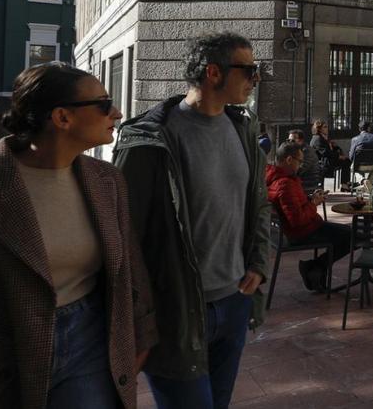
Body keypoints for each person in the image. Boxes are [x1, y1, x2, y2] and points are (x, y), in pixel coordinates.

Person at [0, 62, 154, 409]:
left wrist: (140, 335)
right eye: (104, 104)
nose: (118, 112)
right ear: (62, 117)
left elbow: (128, 267)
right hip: (5, 353)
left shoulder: (107, 181)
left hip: (89, 343)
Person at [112, 32, 271, 408]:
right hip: (177, 314)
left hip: (235, 302)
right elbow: (124, 233)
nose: (256, 79)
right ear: (213, 72)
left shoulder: (243, 129)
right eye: (249, 70)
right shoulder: (149, 140)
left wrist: (259, 264)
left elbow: (260, 204)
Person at [265, 142, 355, 291]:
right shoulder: (284, 183)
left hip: (301, 228)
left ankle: (315, 269)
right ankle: (314, 267)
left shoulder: (276, 178)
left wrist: (309, 199)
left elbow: (293, 206)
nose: (300, 165)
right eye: (299, 161)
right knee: (353, 236)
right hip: (302, 232)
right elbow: (297, 220)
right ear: (288, 160)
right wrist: (313, 203)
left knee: (348, 233)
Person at [311, 119, 351, 187]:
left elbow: (330, 149)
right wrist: (339, 156)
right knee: (346, 161)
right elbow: (325, 152)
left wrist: (334, 146)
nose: (327, 129)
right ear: (319, 129)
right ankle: (344, 184)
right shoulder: (317, 139)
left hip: (329, 160)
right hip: (323, 162)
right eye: (325, 127)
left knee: (346, 161)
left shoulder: (323, 138)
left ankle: (345, 184)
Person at [288, 129, 323, 193]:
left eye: (293, 140)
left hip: (309, 181)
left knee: (283, 186)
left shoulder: (307, 151)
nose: (290, 142)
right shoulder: (294, 150)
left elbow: (301, 169)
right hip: (301, 179)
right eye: (288, 140)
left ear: (301, 141)